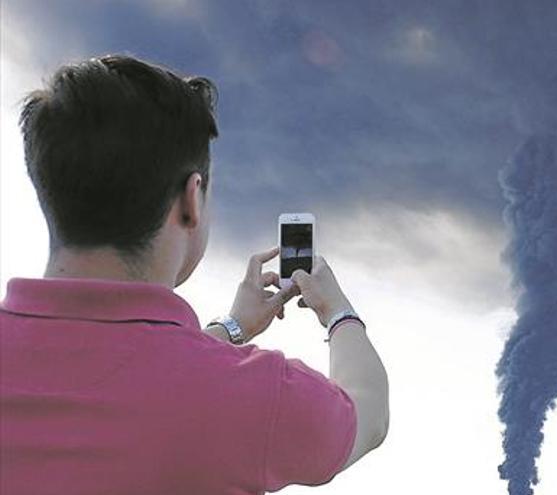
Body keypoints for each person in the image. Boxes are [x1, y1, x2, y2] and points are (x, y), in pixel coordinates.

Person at [0, 55, 389, 494]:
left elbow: (118, 373)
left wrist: (231, 328)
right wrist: (337, 311)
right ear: (192, 198)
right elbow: (368, 414)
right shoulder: (256, 397)